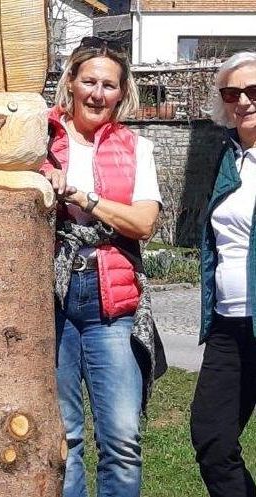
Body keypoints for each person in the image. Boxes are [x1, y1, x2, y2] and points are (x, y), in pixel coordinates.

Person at [39, 37, 166, 497]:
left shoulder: (137, 147)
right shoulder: (39, 138)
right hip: (51, 297)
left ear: (122, 92)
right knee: (64, 438)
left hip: (111, 301)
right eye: (88, 81)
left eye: (108, 85)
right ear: (70, 83)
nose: (97, 93)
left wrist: (81, 196)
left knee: (121, 439)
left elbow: (143, 222)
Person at [190, 51, 256, 497]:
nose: (244, 101)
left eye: (255, 91)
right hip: (229, 327)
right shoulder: (227, 161)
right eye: (233, 93)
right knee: (212, 440)